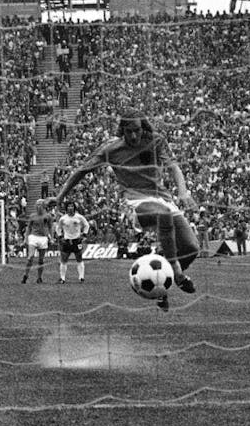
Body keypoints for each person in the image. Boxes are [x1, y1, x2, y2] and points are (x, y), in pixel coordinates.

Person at [47, 112, 199, 311]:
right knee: (163, 215)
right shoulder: (111, 148)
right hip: (134, 201)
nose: (134, 136)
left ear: (143, 127)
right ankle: (178, 274)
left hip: (163, 199)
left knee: (191, 247)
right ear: (122, 130)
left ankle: (161, 286)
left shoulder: (156, 140)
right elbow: (82, 171)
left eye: (137, 130)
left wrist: (183, 193)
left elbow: (174, 167)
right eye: (129, 132)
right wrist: (59, 197)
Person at [55, 201, 90, 283]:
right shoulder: (63, 218)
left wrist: (84, 235)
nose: (70, 208)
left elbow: (86, 225)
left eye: (72, 206)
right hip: (67, 241)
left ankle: (81, 277)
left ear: (74, 208)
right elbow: (58, 228)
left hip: (77, 240)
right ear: (66, 208)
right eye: (68, 206)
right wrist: (60, 237)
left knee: (79, 258)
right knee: (64, 259)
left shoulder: (79, 217)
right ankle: (62, 278)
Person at [22, 199, 54, 284]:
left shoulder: (48, 216)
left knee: (41, 260)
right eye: (37, 204)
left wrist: (52, 238)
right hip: (33, 237)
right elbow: (28, 228)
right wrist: (26, 238)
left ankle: (39, 277)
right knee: (30, 257)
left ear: (43, 206)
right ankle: (26, 275)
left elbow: (51, 227)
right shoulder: (32, 216)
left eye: (40, 204)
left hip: (43, 238)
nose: (38, 206)